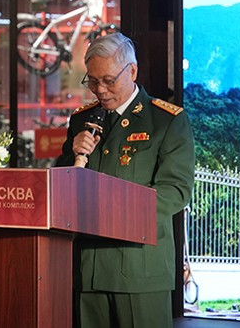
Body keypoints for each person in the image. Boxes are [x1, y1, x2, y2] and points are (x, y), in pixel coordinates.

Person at [55, 33, 195, 328]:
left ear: (132, 71)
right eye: (92, 81)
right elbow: (64, 185)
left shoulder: (166, 121)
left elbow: (176, 190)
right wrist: (72, 156)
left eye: (108, 80)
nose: (100, 90)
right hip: (88, 267)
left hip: (138, 268)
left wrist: (115, 211)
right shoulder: (82, 120)